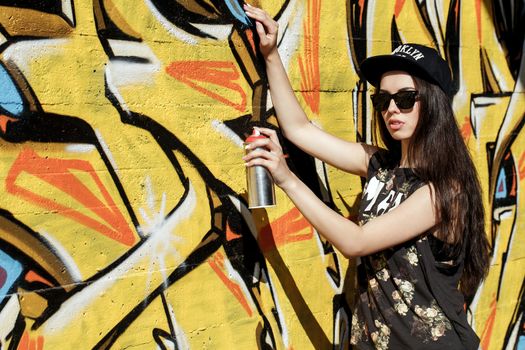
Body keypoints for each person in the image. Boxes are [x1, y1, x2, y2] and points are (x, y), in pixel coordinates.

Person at [242, 3, 490, 350]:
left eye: (405, 99)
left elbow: (355, 242)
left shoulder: (445, 191)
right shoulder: (379, 165)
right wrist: (271, 54)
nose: (391, 109)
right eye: (383, 99)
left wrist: (287, 180)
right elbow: (299, 130)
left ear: (432, 102)